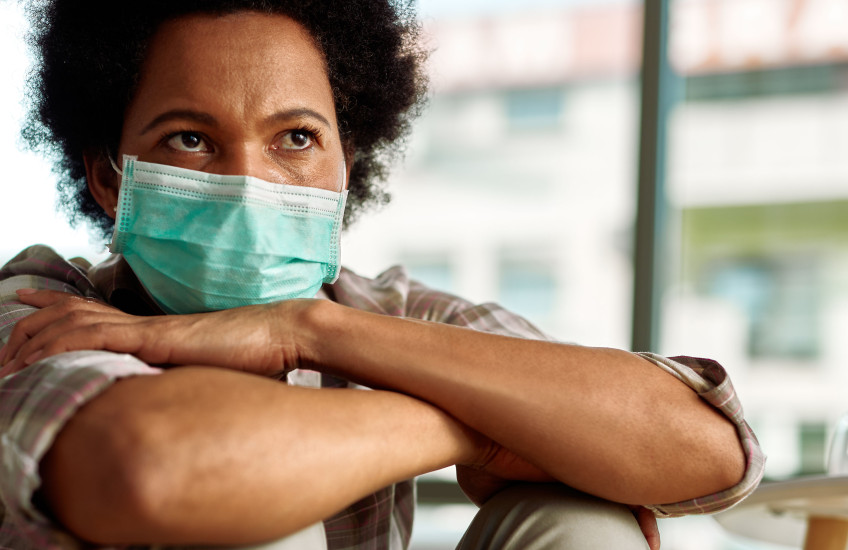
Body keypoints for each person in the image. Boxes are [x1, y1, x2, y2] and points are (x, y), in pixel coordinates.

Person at [0, 1, 764, 549]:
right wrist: (468, 427)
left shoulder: (390, 315)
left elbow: (709, 453)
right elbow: (159, 472)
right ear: (110, 177)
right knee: (244, 483)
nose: (249, 181)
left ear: (345, 169)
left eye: (295, 137)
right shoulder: (44, 307)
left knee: (578, 521)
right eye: (191, 139)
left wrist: (309, 329)